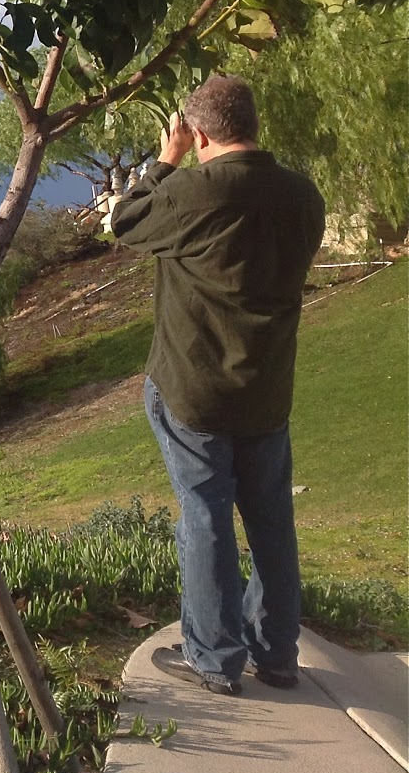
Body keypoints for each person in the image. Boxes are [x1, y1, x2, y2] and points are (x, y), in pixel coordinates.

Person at [109, 75, 325, 696]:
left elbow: (125, 223)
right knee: (271, 521)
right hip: (267, 386)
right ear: (252, 123)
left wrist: (163, 161)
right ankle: (277, 654)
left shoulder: (191, 193)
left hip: (194, 387)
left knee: (204, 517)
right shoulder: (303, 197)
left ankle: (215, 660)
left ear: (198, 132)